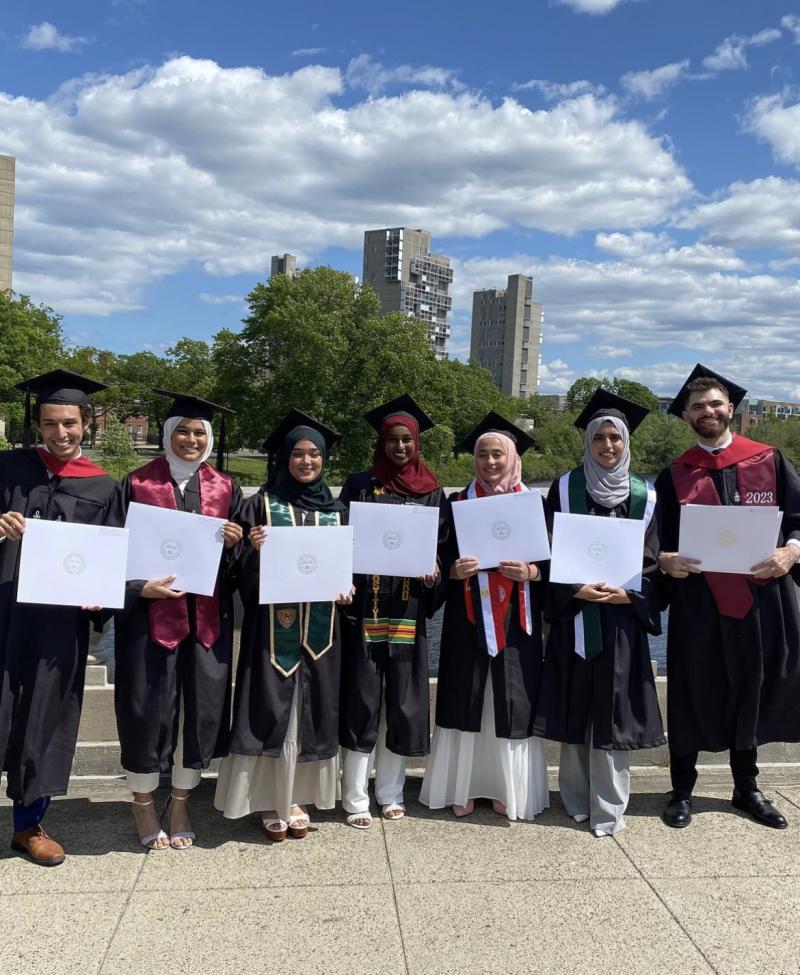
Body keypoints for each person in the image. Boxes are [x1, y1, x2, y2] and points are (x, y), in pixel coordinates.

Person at [656, 364, 800, 829]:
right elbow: (654, 538)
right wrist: (663, 560)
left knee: (752, 686)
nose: (707, 411)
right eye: (697, 406)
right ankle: (681, 790)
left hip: (761, 598)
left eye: (715, 403)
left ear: (731, 409)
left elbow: (798, 518)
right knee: (692, 688)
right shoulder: (675, 473)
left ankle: (747, 788)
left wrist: (791, 552)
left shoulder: (768, 459)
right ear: (686, 417)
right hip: (698, 602)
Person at [106, 390, 243, 850]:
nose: (190, 438)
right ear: (167, 435)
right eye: (181, 431)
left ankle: (181, 797)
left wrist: (235, 543)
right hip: (149, 621)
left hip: (206, 623)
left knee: (200, 711)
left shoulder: (227, 488)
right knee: (145, 708)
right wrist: (137, 588)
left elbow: (239, 568)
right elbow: (108, 553)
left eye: (198, 432)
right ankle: (143, 801)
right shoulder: (136, 484)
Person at [214, 410, 352, 840]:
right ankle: (264, 800)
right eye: (298, 454)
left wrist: (347, 589)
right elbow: (235, 576)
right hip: (271, 632)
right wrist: (251, 552)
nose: (306, 462)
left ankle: (294, 798)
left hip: (322, 634)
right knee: (270, 708)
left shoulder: (338, 510)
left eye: (314, 454)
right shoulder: (259, 505)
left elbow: (349, 570)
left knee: (310, 711)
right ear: (284, 459)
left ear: (324, 459)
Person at [533, 390, 665, 837]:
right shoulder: (565, 488)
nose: (608, 446)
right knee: (576, 706)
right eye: (599, 439)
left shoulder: (646, 496)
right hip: (575, 616)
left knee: (612, 711)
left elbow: (654, 561)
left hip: (622, 620)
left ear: (626, 443)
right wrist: (575, 589)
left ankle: (609, 806)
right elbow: (548, 553)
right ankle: (574, 799)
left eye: (615, 439)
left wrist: (633, 596)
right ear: (587, 444)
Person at [0, 370, 116, 866]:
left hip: (57, 626)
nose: (60, 433)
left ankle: (28, 826)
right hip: (3, 613)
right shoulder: (7, 469)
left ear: (86, 423)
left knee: (42, 720)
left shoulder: (103, 486)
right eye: (50, 423)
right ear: (39, 423)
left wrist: (101, 596)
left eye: (69, 423)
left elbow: (111, 558)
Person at [420, 412, 549, 821]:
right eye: (482, 454)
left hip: (517, 621)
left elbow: (555, 565)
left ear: (511, 457)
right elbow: (436, 560)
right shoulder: (456, 504)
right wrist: (452, 571)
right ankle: (463, 786)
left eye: (498, 454)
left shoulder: (533, 504)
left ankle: (506, 788)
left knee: (512, 700)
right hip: (468, 617)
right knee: (466, 696)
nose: (490, 462)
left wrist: (531, 573)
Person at [339, 395, 446, 828]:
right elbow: (341, 539)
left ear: (417, 444)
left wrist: (433, 574)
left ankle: (391, 791)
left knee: (402, 702)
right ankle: (354, 796)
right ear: (381, 443)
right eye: (392, 440)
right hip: (365, 610)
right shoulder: (359, 485)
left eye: (407, 440)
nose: (400, 447)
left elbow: (441, 552)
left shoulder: (433, 491)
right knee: (362, 700)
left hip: (407, 614)